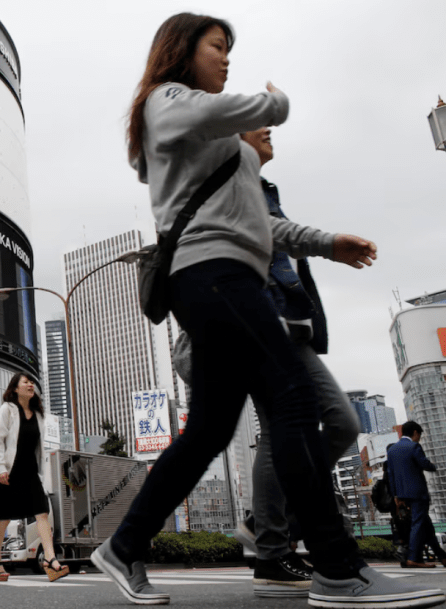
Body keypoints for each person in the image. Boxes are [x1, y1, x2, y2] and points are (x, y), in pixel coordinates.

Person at [92, 13, 443, 609]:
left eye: (229, 50)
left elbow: (260, 219)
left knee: (207, 432)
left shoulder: (216, 137)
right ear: (183, 49)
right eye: (217, 46)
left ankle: (123, 546)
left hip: (226, 279)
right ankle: (337, 568)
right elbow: (210, 115)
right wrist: (272, 103)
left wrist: (328, 242)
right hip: (213, 276)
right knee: (294, 404)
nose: (226, 58)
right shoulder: (165, 100)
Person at [210, 126, 361, 598]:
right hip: (258, 322)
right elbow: (271, 235)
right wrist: (328, 242)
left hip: (289, 327)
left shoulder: (262, 187)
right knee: (287, 429)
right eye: (260, 122)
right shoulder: (229, 180)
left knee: (340, 423)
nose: (271, 129)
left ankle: (265, 523)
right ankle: (273, 549)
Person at [0, 373, 68, 583]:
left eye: (32, 382)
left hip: (31, 472)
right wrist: (0, 468)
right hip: (10, 472)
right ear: (15, 388)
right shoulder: (7, 409)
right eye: (26, 382)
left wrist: (44, 474)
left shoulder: (39, 415)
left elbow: (40, 449)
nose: (30, 384)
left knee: (42, 513)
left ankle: (50, 559)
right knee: (3, 518)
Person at [387, 421, 440, 568]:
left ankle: (442, 556)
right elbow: (424, 464)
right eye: (419, 435)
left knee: (425, 523)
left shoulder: (392, 450)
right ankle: (412, 558)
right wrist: (435, 466)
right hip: (418, 493)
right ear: (415, 432)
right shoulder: (414, 446)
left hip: (402, 494)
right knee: (418, 523)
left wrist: (396, 496)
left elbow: (391, 475)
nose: (419, 438)